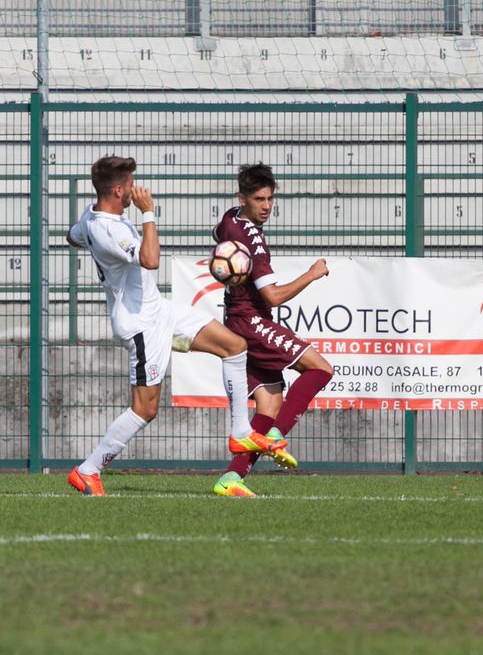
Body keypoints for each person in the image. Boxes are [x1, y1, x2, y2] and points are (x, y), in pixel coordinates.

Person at [66, 156, 286, 497]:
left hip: (160, 311)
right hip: (140, 326)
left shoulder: (90, 218)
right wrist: (148, 213)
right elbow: (150, 260)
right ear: (118, 190)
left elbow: (71, 236)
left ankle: (240, 430)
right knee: (145, 409)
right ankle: (88, 470)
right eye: (131, 185)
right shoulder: (105, 228)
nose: (136, 191)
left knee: (235, 346)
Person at [211, 163, 334, 497]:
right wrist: (312, 273)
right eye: (259, 199)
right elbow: (273, 296)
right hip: (251, 321)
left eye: (270, 199)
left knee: (269, 405)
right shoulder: (252, 241)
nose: (266, 206)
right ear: (243, 198)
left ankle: (231, 479)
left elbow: (218, 235)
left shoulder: (231, 218)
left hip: (237, 318)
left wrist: (229, 267)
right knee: (321, 368)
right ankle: (277, 436)